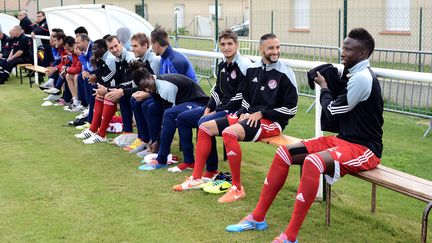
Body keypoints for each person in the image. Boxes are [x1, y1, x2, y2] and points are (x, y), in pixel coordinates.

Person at [225, 28, 383, 243]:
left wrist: (325, 87)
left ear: (363, 53)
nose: (342, 52)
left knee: (313, 162)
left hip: (364, 148)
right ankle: (257, 218)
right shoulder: (353, 72)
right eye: (343, 47)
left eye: (348, 49)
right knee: (284, 153)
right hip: (342, 139)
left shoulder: (363, 78)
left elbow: (333, 110)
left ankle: (290, 237)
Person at [173, 33, 298, 204]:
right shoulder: (254, 69)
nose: (275, 51)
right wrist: (243, 112)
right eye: (271, 48)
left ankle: (237, 188)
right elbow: (246, 97)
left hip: (272, 122)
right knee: (204, 127)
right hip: (250, 118)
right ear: (261, 49)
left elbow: (292, 108)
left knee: (229, 133)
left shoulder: (285, 73)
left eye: (277, 47)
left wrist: (263, 114)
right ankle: (197, 177)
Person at [169, 29, 252, 176]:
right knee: (183, 118)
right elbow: (217, 90)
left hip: (236, 111)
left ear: (237, 45)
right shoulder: (222, 65)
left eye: (230, 44)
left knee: (204, 123)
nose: (226, 47)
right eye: (223, 44)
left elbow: (243, 95)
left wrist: (218, 110)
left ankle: (211, 169)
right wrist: (209, 106)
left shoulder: (245, 65)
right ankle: (189, 161)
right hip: (221, 108)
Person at [127, 62, 210, 171]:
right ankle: (156, 148)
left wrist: (159, 141)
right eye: (143, 89)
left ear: (152, 77)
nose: (147, 90)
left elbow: (169, 118)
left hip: (199, 103)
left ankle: (162, 158)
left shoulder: (166, 87)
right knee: (153, 107)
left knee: (170, 115)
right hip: (185, 103)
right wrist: (155, 139)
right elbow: (161, 109)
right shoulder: (154, 85)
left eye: (147, 86)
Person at [74, 39, 117, 144]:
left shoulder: (110, 58)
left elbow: (108, 77)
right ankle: (93, 129)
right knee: (99, 93)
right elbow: (101, 76)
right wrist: (94, 65)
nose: (93, 51)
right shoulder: (101, 58)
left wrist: (98, 81)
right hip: (109, 86)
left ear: (102, 49)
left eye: (95, 49)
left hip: (116, 87)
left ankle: (101, 134)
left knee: (104, 94)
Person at [125, 33, 161, 154]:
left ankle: (152, 141)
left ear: (145, 45)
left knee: (146, 104)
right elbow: (136, 85)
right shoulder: (139, 60)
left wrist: (146, 94)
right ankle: (142, 138)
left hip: (159, 94)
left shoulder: (153, 60)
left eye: (135, 46)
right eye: (131, 45)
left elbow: (157, 84)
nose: (132, 49)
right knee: (133, 99)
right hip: (152, 92)